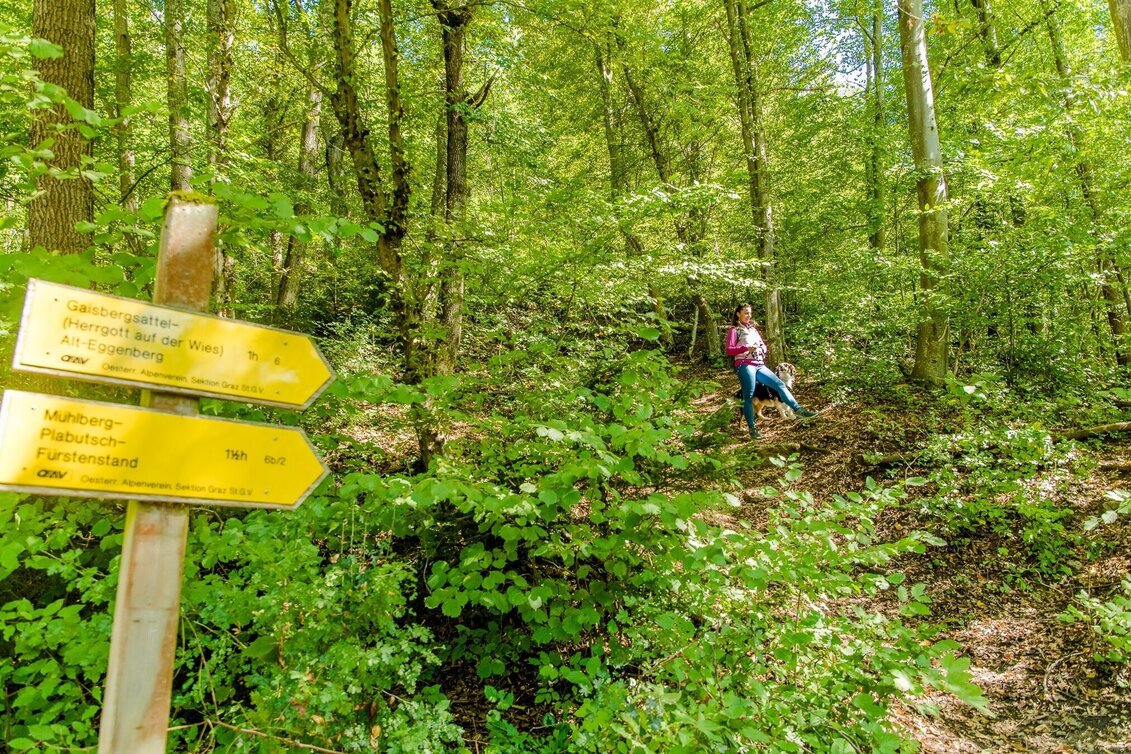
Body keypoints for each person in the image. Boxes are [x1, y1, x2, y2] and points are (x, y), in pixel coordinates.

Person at [725, 304, 817, 440]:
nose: (749, 315)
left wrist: (761, 349)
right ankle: (752, 428)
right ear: (738, 314)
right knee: (748, 397)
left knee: (779, 385)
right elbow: (729, 349)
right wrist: (746, 348)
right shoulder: (734, 330)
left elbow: (763, 345)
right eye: (746, 313)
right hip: (745, 365)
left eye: (750, 313)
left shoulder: (753, 330)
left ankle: (799, 410)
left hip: (759, 365)